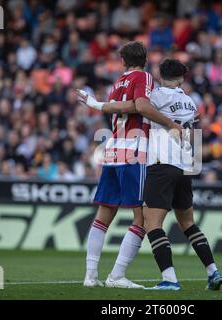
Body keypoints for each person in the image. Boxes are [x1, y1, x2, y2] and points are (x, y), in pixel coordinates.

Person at [76, 41, 182, 289]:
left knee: (104, 214)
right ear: (145, 61)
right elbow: (142, 106)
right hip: (135, 151)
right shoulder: (143, 77)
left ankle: (91, 276)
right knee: (142, 218)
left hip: (112, 150)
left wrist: (99, 104)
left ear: (122, 61)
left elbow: (126, 107)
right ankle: (116, 275)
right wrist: (171, 125)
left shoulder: (117, 84)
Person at [142, 59, 222, 290]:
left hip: (162, 163)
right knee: (188, 223)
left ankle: (169, 280)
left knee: (153, 224)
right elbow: (195, 132)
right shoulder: (190, 101)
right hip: (185, 165)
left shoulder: (155, 97)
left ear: (159, 76)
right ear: (182, 78)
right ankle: (213, 271)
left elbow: (139, 107)